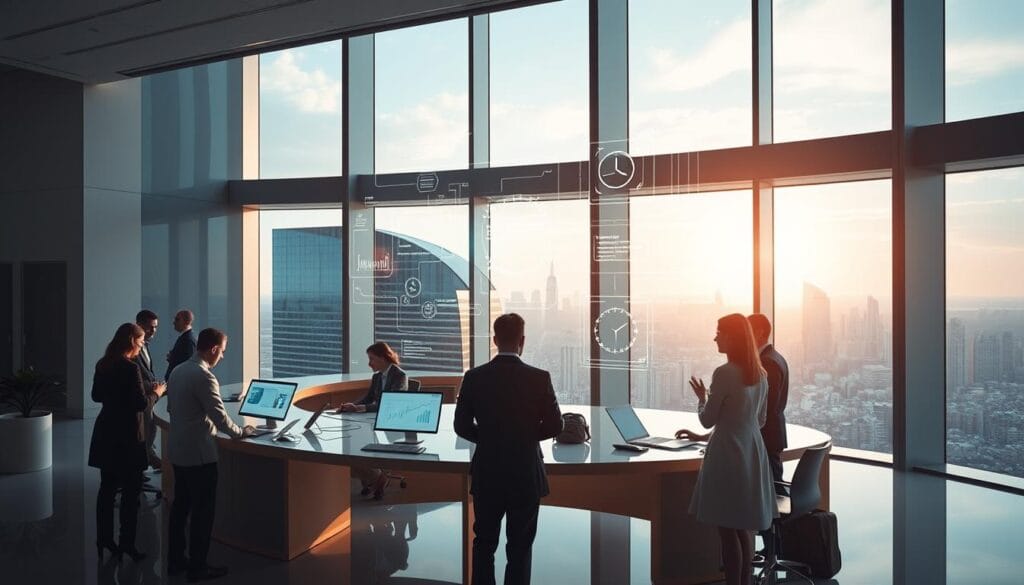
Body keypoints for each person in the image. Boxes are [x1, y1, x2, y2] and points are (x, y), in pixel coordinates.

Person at [454, 313, 563, 585]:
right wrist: (523, 437)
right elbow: (556, 426)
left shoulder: (474, 377)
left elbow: (461, 425)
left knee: (484, 542)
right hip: (525, 473)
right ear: (522, 341)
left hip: (487, 471)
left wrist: (491, 438)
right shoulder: (539, 378)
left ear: (494, 340)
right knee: (520, 547)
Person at [675, 313, 776, 585]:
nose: (715, 336)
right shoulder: (761, 375)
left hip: (728, 455)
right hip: (752, 451)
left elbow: (707, 419)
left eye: (719, 332)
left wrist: (702, 399)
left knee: (727, 531)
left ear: (732, 337)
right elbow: (762, 420)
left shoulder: (724, 373)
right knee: (742, 527)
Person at [166, 328, 255, 582]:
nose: (223, 357)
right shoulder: (204, 376)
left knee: (180, 508)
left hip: (178, 449)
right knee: (203, 514)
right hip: (200, 455)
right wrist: (241, 432)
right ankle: (198, 567)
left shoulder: (178, 370)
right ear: (213, 349)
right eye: (223, 351)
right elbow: (219, 416)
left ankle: (175, 560)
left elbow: (173, 407)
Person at [88, 322, 165, 563]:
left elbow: (96, 396)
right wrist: (157, 392)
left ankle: (104, 539)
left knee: (107, 491)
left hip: (105, 432)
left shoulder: (103, 364)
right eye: (141, 342)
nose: (141, 346)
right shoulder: (131, 369)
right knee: (131, 495)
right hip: (129, 436)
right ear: (132, 341)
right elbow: (141, 404)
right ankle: (127, 543)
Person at [338, 342, 408, 499]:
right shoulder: (377, 376)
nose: (369, 363)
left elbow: (390, 404)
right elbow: (368, 397)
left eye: (372, 359)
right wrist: (352, 406)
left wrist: (362, 409)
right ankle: (374, 478)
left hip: (391, 424)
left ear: (384, 358)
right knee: (353, 443)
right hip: (372, 420)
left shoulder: (399, 376)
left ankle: (376, 479)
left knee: (360, 443)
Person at [747, 313, 789, 494]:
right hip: (771, 436)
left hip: (766, 437)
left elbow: (767, 406)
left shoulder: (766, 362)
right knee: (771, 492)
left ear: (760, 332)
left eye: (747, 332)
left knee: (771, 494)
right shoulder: (776, 357)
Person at [134, 309, 165, 470]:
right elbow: (134, 380)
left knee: (149, 433)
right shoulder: (133, 351)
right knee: (145, 434)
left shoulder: (145, 345)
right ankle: (148, 460)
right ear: (139, 325)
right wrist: (155, 389)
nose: (153, 331)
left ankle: (147, 459)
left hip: (148, 398)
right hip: (143, 400)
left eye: (155, 327)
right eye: (150, 327)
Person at [165, 309, 197, 380]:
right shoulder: (185, 337)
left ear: (187, 321)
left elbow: (189, 365)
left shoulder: (188, 340)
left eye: (177, 319)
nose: (174, 322)